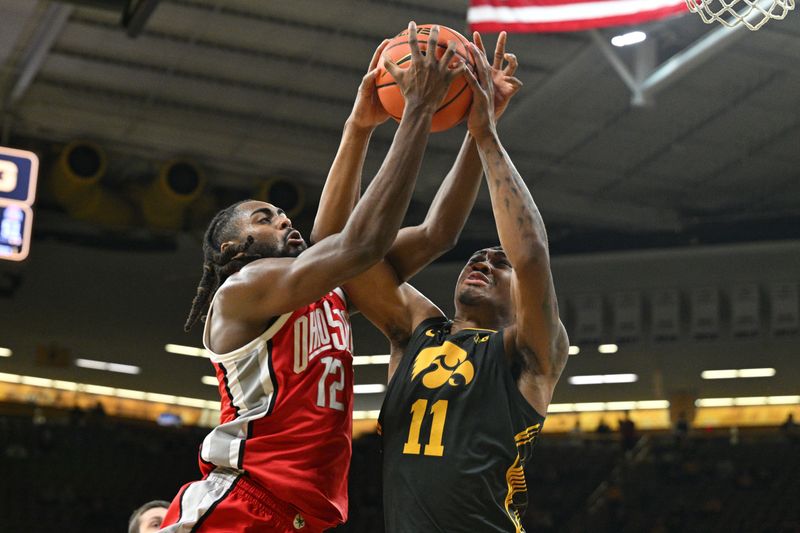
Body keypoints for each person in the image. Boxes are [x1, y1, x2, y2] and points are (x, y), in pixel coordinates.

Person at [159, 22, 463, 533]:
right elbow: (356, 243)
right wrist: (417, 112)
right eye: (264, 217)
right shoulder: (243, 290)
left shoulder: (330, 293)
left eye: (282, 212)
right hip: (242, 502)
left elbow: (437, 234)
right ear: (234, 248)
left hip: (305, 518)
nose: (283, 219)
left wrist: (479, 131)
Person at [312, 36, 567, 532]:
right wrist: (358, 129)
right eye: (480, 255)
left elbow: (531, 254)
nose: (486, 260)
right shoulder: (416, 329)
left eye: (499, 262)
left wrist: (488, 135)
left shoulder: (532, 352)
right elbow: (333, 251)